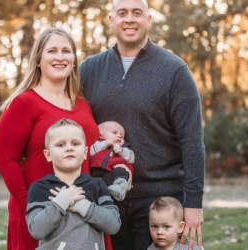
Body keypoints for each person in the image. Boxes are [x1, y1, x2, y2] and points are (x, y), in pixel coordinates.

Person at [79, 0, 206, 249]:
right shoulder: (89, 70)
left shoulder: (174, 70)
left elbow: (192, 141)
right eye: (122, 13)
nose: (129, 19)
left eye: (137, 13)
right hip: (105, 197)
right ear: (110, 20)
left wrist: (194, 203)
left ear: (148, 20)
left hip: (159, 202)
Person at [0, 28, 100, 250]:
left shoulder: (84, 105)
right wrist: (29, 207)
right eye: (51, 51)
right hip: (40, 211)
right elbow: (7, 161)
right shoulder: (23, 103)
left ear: (73, 61)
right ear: (38, 60)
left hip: (83, 213)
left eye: (66, 51)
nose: (60, 57)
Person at [26, 118, 121, 250]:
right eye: (61, 145)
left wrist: (81, 205)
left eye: (75, 143)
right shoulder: (40, 188)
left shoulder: (97, 185)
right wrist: (62, 201)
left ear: (85, 152)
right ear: (48, 155)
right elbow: (37, 230)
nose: (69, 148)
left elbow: (113, 225)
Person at [89, 121, 135, 201]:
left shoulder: (124, 149)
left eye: (122, 136)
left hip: (115, 172)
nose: (119, 136)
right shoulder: (97, 144)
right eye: (114, 132)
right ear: (100, 135)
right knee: (94, 184)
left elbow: (131, 158)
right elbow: (91, 152)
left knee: (122, 173)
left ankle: (119, 189)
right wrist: (105, 144)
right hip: (97, 172)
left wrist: (121, 151)